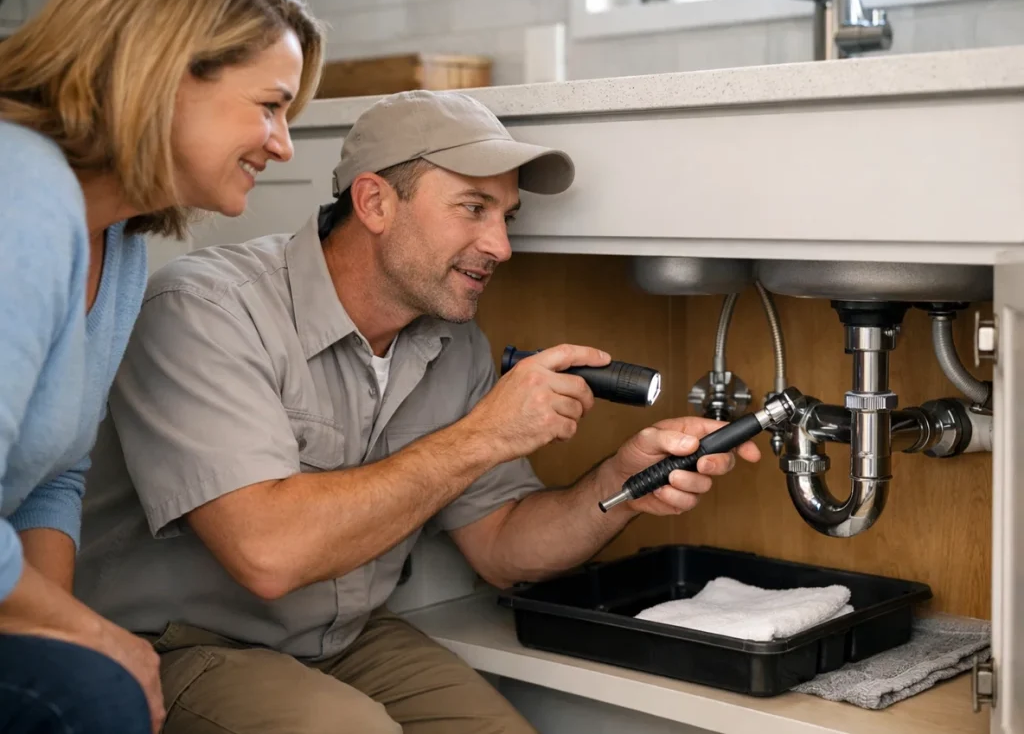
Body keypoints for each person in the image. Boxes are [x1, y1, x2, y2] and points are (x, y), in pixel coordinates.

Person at [75, 90, 761, 734]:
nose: (502, 246)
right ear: (375, 202)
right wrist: (482, 435)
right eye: (473, 208)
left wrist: (623, 481)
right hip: (177, 642)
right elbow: (268, 554)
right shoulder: (206, 311)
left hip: (342, 636)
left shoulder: (452, 347)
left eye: (506, 217)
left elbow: (502, 550)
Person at [0, 0, 324, 732]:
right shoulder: (19, 191)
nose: (283, 146)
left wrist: (68, 634)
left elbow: (55, 479)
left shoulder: (121, 246)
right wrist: (95, 639)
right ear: (167, 76)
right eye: (271, 106)